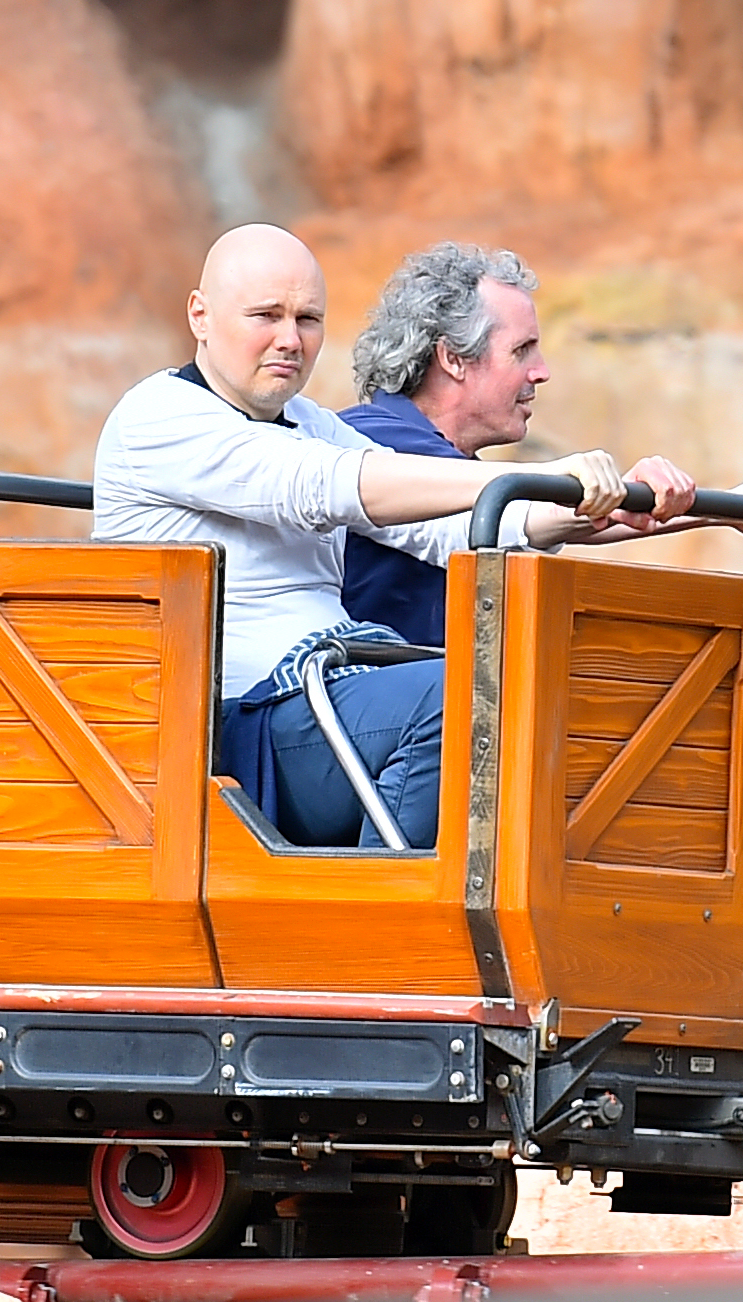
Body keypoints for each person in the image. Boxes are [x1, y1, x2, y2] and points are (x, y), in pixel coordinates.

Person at [95, 224, 698, 851]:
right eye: (266, 316)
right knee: (460, 696)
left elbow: (458, 527)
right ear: (200, 315)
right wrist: (545, 475)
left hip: (320, 694)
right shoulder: (159, 417)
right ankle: (388, 901)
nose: (290, 339)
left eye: (308, 319)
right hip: (221, 729)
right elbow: (329, 485)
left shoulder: (309, 423)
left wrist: (631, 503)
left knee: (535, 685)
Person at [341, 242, 743, 644]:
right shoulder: (372, 440)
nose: (541, 371)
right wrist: (628, 493)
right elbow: (524, 516)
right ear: (453, 359)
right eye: (521, 350)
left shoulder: (455, 461)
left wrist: (729, 506)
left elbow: (542, 519)